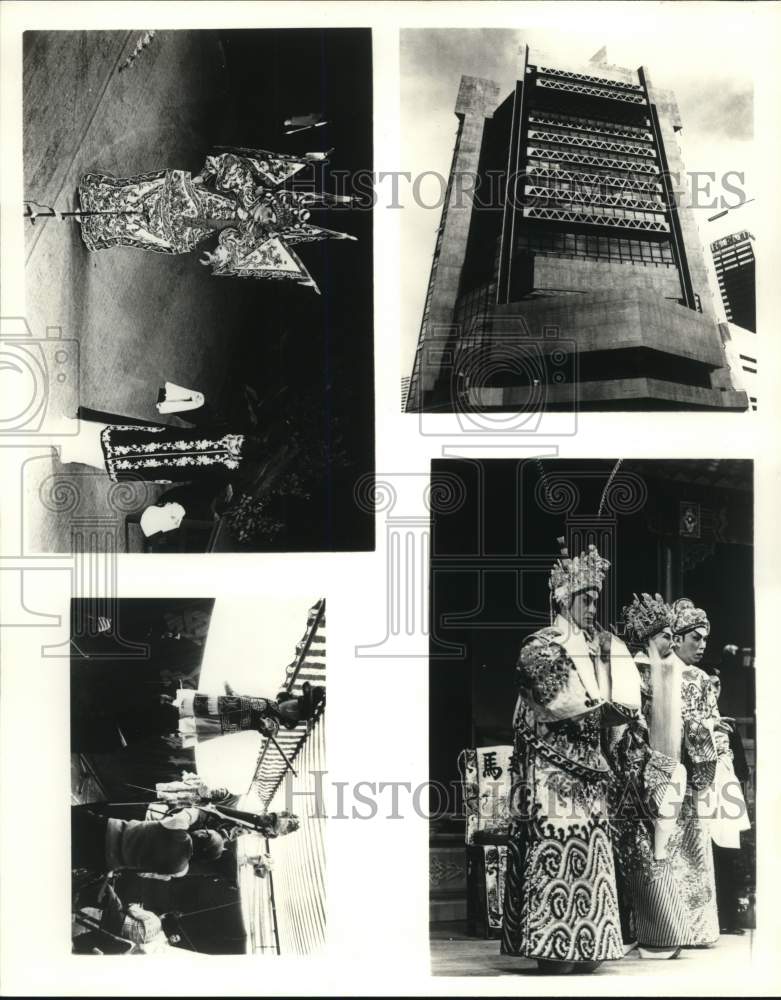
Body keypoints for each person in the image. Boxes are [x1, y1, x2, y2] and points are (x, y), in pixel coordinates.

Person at [501, 539, 643, 973]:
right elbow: (550, 694)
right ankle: (551, 942)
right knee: (557, 848)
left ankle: (592, 940)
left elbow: (620, 697)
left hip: (590, 767)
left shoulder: (598, 645)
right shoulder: (543, 643)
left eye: (597, 598)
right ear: (564, 599)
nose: (593, 606)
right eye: (586, 598)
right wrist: (595, 705)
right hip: (552, 767)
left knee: (592, 848)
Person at [77, 149, 356, 293]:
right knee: (140, 195)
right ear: (270, 202)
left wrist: (217, 256)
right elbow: (226, 165)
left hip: (187, 230)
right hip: (188, 197)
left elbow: (232, 246)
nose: (265, 218)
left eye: (270, 222)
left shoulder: (250, 233)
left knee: (145, 231)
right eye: (270, 212)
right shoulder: (248, 190)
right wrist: (202, 176)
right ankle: (99, 198)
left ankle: (100, 229)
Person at [660, 598, 744, 948]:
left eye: (705, 638)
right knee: (664, 847)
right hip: (664, 770)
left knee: (695, 847)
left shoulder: (703, 679)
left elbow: (714, 724)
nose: (702, 644)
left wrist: (717, 749)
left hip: (696, 772)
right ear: (676, 638)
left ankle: (696, 927)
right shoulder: (656, 670)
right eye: (695, 637)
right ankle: (665, 923)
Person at [613, 593, 690, 960]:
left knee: (645, 848)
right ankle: (650, 931)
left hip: (644, 763)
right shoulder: (637, 670)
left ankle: (651, 930)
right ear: (650, 637)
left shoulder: (659, 670)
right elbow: (624, 727)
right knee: (638, 849)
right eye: (666, 635)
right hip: (632, 767)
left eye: (674, 635)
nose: (672, 642)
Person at [71, 803, 224, 880]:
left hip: (105, 831)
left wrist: (208, 810)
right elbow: (145, 874)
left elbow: (191, 812)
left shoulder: (178, 830)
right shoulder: (179, 870)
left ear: (203, 836)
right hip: (105, 861)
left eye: (205, 830)